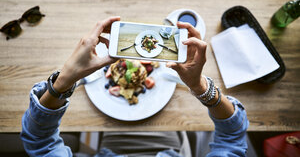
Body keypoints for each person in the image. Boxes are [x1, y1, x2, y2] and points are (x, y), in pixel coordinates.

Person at [21, 16, 249, 157]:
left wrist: (63, 82)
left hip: (111, 146)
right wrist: (199, 87)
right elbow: (233, 138)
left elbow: (40, 142)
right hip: (170, 145)